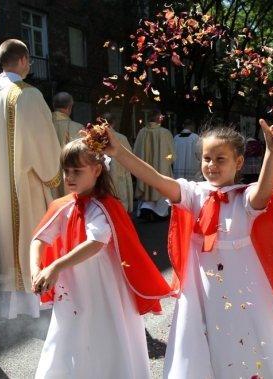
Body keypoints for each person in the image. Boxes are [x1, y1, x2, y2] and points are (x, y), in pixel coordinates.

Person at [104, 112, 273, 378]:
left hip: (243, 289)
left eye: (220, 159)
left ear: (238, 163)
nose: (211, 165)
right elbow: (155, 178)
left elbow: (265, 190)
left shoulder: (244, 199)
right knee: (202, 344)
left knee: (248, 341)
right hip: (201, 289)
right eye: (207, 158)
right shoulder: (192, 193)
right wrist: (119, 152)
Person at [30, 139, 173, 378]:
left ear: (97, 171)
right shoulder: (61, 206)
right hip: (73, 287)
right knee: (71, 332)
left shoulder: (105, 207)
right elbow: (39, 238)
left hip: (105, 287)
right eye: (66, 170)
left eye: (77, 171)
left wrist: (55, 265)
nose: (69, 177)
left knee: (108, 332)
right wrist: (36, 267)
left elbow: (96, 242)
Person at [0, 39, 62, 319]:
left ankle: (11, 305)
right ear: (23, 60)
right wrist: (54, 177)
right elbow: (44, 144)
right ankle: (36, 301)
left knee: (8, 238)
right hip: (26, 187)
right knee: (29, 234)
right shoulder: (28, 95)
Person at [133, 109, 174, 219]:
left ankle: (146, 207)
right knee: (161, 188)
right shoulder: (164, 133)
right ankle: (159, 213)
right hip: (161, 167)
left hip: (145, 168)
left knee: (147, 186)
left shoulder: (142, 132)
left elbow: (136, 152)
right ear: (157, 118)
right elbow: (171, 153)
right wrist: (166, 161)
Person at [51, 91, 84, 196]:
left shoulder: (41, 126)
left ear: (54, 106)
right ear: (70, 107)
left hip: (47, 180)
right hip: (70, 181)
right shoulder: (78, 128)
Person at [103, 112, 133, 212]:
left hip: (102, 178)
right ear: (114, 123)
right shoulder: (121, 138)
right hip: (120, 177)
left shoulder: (95, 139)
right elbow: (130, 158)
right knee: (120, 205)